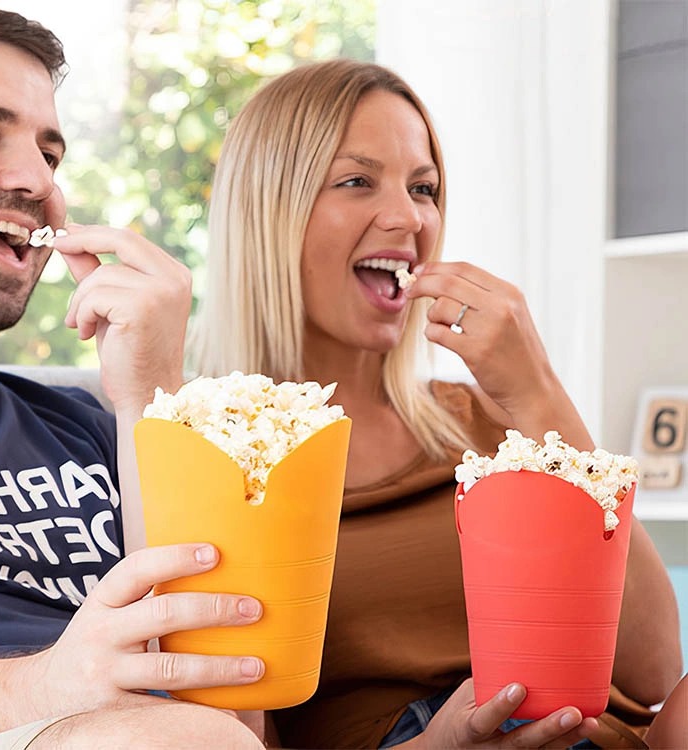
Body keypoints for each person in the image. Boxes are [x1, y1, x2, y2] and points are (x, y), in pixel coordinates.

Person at [189, 58, 687, 749]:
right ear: (268, 210)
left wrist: (536, 391)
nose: (409, 217)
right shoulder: (214, 451)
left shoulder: (482, 417)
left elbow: (655, 670)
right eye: (357, 182)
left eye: (424, 189)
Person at [0, 4, 267, 748]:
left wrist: (148, 394)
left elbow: (237, 699)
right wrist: (44, 684)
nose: (33, 180)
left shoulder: (90, 424)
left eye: (50, 154)